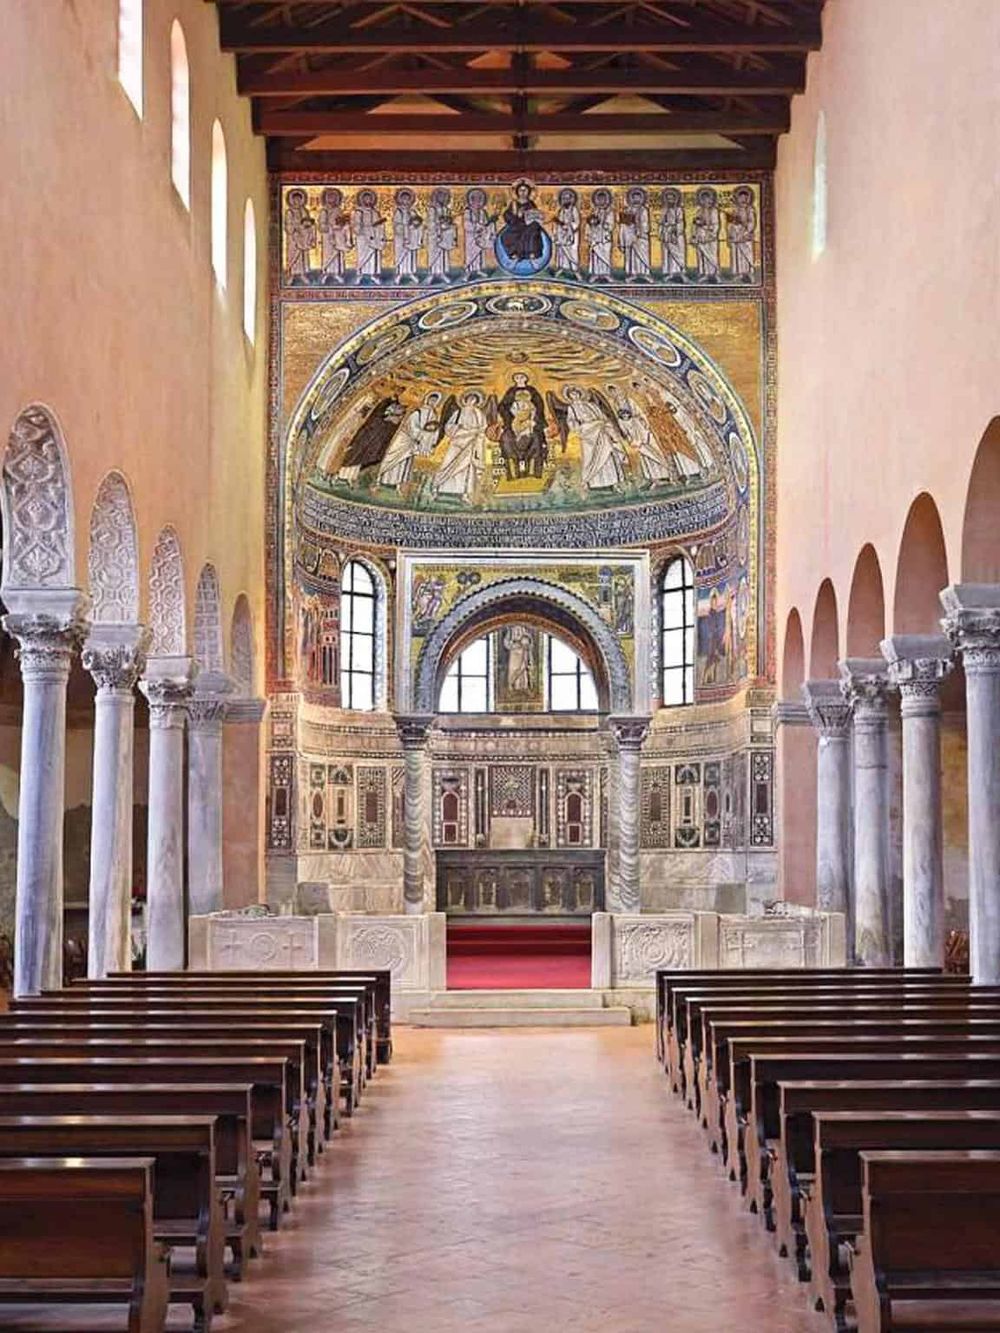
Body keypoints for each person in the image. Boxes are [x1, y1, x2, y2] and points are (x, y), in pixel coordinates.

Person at [607, 383, 672, 484]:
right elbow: (618, 418)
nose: (614, 393)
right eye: (611, 392)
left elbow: (639, 413)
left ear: (618, 390)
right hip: (629, 431)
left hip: (639, 429)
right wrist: (624, 426)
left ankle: (666, 472)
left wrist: (642, 423)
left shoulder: (629, 400)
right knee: (642, 454)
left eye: (614, 391)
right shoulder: (615, 403)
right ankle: (653, 478)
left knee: (651, 449)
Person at [565, 387, 627, 490]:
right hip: (588, 435)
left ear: (580, 394)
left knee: (607, 455)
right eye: (572, 395)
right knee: (590, 459)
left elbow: (602, 417)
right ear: (569, 397)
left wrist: (605, 425)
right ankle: (593, 483)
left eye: (576, 393)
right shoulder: (571, 408)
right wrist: (578, 426)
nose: (575, 396)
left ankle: (614, 482)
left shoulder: (591, 405)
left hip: (600, 431)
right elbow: (571, 421)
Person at [377, 391, 442, 488]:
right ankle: (382, 479)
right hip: (405, 438)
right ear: (427, 399)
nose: (432, 402)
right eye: (431, 400)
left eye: (435, 401)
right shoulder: (417, 412)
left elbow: (435, 429)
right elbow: (412, 426)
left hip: (414, 442)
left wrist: (430, 439)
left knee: (405, 461)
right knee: (393, 457)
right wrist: (422, 434)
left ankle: (398, 483)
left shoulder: (434, 414)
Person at [433, 392, 489, 503]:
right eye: (470, 398)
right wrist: (458, 427)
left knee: (466, 469)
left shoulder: (479, 414)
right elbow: (448, 427)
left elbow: (483, 429)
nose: (471, 401)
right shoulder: (458, 412)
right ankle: (438, 489)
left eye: (474, 399)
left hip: (470, 444)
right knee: (447, 464)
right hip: (457, 443)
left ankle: (464, 494)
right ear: (465, 399)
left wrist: (476, 437)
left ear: (477, 402)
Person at [498, 372, 547, 479]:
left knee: (537, 438)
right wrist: (510, 418)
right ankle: (512, 472)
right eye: (517, 377)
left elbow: (539, 406)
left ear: (526, 378)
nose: (519, 379)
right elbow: (502, 406)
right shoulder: (511, 392)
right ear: (514, 379)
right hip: (513, 422)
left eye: (522, 377)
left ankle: (533, 473)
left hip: (531, 423)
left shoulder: (532, 391)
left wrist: (534, 420)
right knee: (506, 438)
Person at [498, 180, 545, 263]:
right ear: (517, 192)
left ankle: (532, 254)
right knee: (505, 235)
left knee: (533, 231)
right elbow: (507, 215)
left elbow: (535, 214)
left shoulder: (531, 203)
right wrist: (516, 215)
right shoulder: (514, 204)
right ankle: (514, 254)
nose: (523, 192)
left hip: (529, 225)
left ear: (528, 192)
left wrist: (536, 216)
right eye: (521, 190)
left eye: (525, 190)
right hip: (516, 224)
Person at [318, 188, 352, 283]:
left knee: (337, 255)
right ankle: (326, 273)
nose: (332, 199)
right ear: (326, 198)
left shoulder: (338, 210)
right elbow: (321, 226)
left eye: (334, 197)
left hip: (338, 235)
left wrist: (343, 223)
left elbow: (341, 221)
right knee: (328, 255)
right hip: (328, 236)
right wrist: (332, 227)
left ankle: (336, 273)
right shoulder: (324, 211)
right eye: (330, 197)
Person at [618, 187, 652, 281]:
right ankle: (633, 273)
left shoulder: (644, 210)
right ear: (631, 199)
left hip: (641, 237)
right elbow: (623, 222)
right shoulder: (628, 209)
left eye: (638, 198)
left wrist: (639, 229)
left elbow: (646, 224)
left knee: (642, 255)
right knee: (631, 255)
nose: (636, 200)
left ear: (642, 199)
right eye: (634, 198)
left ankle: (645, 273)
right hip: (630, 236)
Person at [353, 189, 386, 282]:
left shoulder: (375, 212)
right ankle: (360, 274)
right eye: (366, 199)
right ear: (362, 200)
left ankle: (373, 275)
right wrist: (363, 228)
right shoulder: (359, 212)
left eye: (369, 199)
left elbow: (379, 224)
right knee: (362, 256)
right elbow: (356, 224)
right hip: (363, 238)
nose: (368, 201)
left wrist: (379, 225)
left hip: (374, 237)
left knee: (373, 256)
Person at [392, 188, 423, 284]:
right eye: (403, 198)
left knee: (410, 256)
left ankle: (410, 273)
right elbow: (396, 225)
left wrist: (416, 226)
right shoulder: (398, 211)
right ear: (400, 200)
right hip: (401, 239)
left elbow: (419, 222)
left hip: (412, 238)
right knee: (401, 256)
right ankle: (400, 274)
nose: (406, 201)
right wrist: (405, 227)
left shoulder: (412, 211)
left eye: (407, 199)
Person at [285, 189, 315, 282]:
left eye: (299, 199)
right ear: (291, 200)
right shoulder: (289, 212)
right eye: (295, 200)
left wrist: (308, 227)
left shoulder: (304, 211)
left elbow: (308, 222)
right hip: (293, 237)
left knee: (303, 256)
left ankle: (302, 274)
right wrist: (296, 227)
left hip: (304, 237)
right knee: (293, 255)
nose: (297, 202)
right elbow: (288, 225)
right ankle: (291, 275)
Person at [727, 186, 757, 282]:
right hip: (736, 235)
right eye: (741, 197)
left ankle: (748, 273)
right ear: (738, 198)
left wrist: (745, 229)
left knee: (747, 254)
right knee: (737, 255)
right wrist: (733, 224)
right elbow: (730, 222)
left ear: (748, 199)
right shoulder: (735, 209)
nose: (743, 200)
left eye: (745, 197)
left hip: (745, 236)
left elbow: (752, 222)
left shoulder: (750, 209)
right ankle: (739, 274)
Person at [427, 188, 457, 283]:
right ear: (436, 197)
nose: (442, 198)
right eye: (440, 196)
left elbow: (449, 220)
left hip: (445, 235)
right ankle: (432, 274)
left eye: (444, 196)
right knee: (434, 254)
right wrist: (439, 224)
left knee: (443, 254)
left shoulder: (446, 210)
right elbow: (430, 222)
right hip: (434, 235)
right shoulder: (432, 209)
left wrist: (448, 224)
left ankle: (442, 273)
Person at [692, 187, 721, 283]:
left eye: (708, 199)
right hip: (701, 236)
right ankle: (705, 273)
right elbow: (694, 224)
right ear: (701, 201)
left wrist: (709, 230)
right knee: (702, 256)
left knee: (712, 255)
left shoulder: (714, 211)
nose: (706, 201)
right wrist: (694, 235)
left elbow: (716, 225)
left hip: (710, 237)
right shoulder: (699, 211)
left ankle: (715, 274)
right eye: (704, 199)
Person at [463, 188, 493, 278]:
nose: (477, 201)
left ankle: (478, 269)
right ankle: (468, 271)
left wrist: (489, 225)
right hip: (470, 237)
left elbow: (486, 224)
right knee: (470, 254)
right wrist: (478, 227)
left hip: (481, 236)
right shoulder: (468, 211)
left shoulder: (482, 212)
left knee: (479, 253)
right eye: (475, 199)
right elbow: (466, 224)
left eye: (479, 199)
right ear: (471, 200)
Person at [586, 189, 614, 282]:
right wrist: (592, 223)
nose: (601, 202)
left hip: (605, 237)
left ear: (606, 200)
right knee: (595, 255)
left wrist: (603, 223)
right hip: (595, 237)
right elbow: (588, 223)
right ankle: (596, 274)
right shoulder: (594, 211)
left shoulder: (609, 212)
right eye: (599, 199)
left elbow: (610, 225)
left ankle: (606, 274)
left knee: (605, 254)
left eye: (603, 199)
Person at [659, 187, 686, 281]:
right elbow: (661, 222)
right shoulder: (664, 210)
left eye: (672, 198)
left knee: (678, 253)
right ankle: (670, 272)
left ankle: (680, 272)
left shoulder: (679, 210)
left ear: (676, 199)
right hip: (667, 235)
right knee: (668, 254)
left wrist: (674, 228)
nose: (670, 201)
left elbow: (681, 223)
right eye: (668, 198)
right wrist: (662, 230)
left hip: (676, 236)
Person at [552, 188, 581, 276]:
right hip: (562, 236)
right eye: (564, 198)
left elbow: (577, 222)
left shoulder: (574, 210)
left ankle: (575, 271)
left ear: (572, 200)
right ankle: (561, 268)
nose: (566, 200)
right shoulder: (561, 211)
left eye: (568, 198)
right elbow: (557, 224)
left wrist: (568, 226)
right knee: (561, 253)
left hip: (571, 236)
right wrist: (556, 234)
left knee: (573, 252)